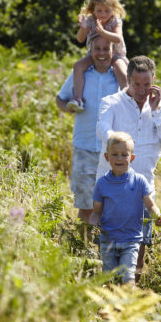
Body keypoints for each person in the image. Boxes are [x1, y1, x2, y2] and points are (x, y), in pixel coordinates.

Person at [96, 55, 161, 281]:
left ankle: (130, 306)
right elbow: (103, 130)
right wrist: (121, 146)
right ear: (128, 81)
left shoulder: (160, 107)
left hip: (143, 189)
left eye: (146, 84)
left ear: (154, 81)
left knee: (137, 255)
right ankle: (110, 302)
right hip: (112, 188)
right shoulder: (111, 103)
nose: (142, 90)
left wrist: (156, 111)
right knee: (110, 256)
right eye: (136, 84)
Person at [56, 35, 119, 226]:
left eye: (105, 49)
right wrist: (70, 107)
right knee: (85, 202)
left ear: (113, 51)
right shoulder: (81, 74)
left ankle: (106, 248)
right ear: (90, 50)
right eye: (97, 49)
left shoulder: (119, 77)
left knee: (112, 203)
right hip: (84, 146)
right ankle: (84, 244)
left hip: (112, 150)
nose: (101, 53)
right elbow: (60, 98)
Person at [90, 131, 161, 284]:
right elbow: (97, 212)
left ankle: (127, 307)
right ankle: (110, 308)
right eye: (115, 154)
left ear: (132, 158)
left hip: (131, 240)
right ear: (107, 157)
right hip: (108, 240)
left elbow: (150, 205)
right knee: (108, 281)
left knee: (128, 278)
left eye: (124, 155)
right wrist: (91, 225)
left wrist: (158, 215)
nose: (119, 158)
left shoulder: (139, 181)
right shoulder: (102, 184)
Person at [67, 0, 128, 113]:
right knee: (78, 66)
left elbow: (117, 39)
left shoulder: (115, 20)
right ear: (93, 10)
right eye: (99, 10)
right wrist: (83, 28)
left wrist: (103, 32)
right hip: (94, 54)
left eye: (107, 10)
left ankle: (127, 99)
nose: (103, 14)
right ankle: (78, 99)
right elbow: (80, 39)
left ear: (114, 9)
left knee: (122, 71)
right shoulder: (90, 20)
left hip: (116, 54)